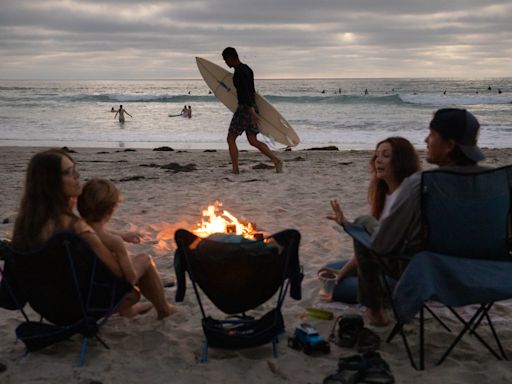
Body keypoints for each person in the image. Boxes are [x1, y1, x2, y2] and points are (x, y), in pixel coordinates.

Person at [351, 108, 488, 326]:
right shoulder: (496, 181)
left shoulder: (420, 184)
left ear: (450, 145)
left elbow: (383, 244)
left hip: (426, 276)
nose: (426, 140)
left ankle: (375, 312)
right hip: (483, 277)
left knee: (362, 224)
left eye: (432, 135)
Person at [11, 149, 176, 320]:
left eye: (75, 169)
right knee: (143, 260)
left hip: (48, 308)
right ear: (50, 183)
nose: (77, 176)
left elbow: (93, 236)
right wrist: (118, 246)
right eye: (69, 172)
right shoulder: (76, 227)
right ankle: (164, 309)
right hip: (81, 307)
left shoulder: (26, 225)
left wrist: (118, 234)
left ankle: (131, 310)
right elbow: (118, 275)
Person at [319, 137, 420, 304]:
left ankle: (382, 296)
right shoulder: (384, 196)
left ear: (401, 161)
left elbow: (392, 243)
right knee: (330, 271)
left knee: (337, 288)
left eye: (386, 156)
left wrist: (353, 226)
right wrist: (343, 272)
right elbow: (369, 245)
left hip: (403, 271)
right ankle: (372, 284)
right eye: (376, 155)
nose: (378, 160)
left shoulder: (410, 196)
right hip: (381, 262)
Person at [222, 47, 283, 174]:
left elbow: (244, 92)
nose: (225, 63)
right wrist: (254, 109)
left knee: (230, 138)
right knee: (252, 140)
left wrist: (251, 111)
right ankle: (276, 161)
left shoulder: (239, 73)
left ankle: (235, 169)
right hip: (253, 106)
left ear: (230, 58)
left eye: (225, 60)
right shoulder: (248, 69)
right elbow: (252, 91)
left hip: (245, 108)